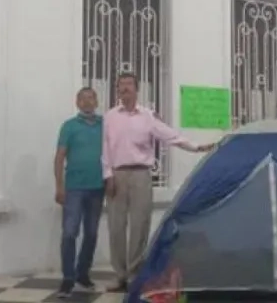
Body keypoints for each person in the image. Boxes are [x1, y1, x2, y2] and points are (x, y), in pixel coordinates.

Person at [102, 72, 215, 292]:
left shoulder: (147, 116)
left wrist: (196, 147)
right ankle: (119, 276)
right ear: (117, 90)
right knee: (116, 227)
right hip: (116, 174)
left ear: (136, 89)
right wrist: (107, 175)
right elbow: (104, 148)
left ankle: (134, 274)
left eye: (128, 85)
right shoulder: (110, 116)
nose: (124, 88)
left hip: (141, 175)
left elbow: (170, 135)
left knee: (140, 226)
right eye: (121, 85)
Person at [54, 87, 105, 298]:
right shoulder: (69, 126)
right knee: (69, 232)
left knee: (91, 233)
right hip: (74, 188)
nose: (87, 102)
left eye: (91, 98)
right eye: (83, 98)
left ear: (96, 101)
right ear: (77, 102)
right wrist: (60, 186)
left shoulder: (105, 125)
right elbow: (59, 157)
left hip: (98, 188)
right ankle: (68, 278)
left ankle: (82, 274)